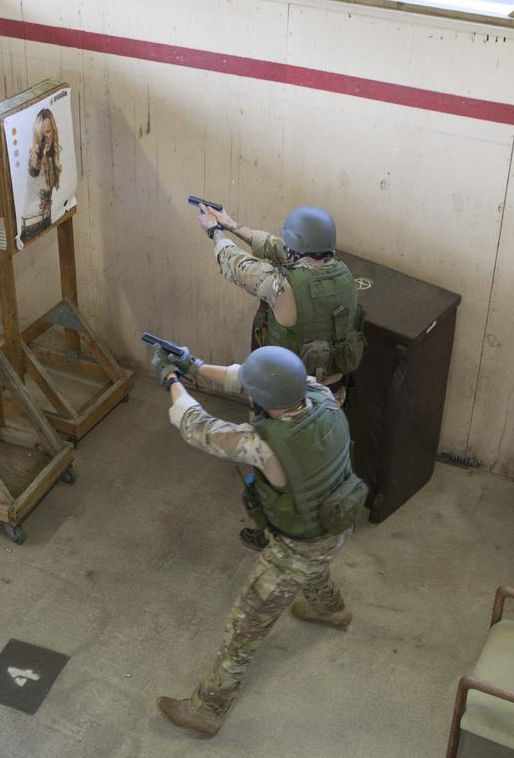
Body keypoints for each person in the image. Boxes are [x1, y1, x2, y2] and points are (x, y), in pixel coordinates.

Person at [151, 344, 365, 737]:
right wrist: (196, 365)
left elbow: (194, 425)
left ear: (262, 399)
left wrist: (171, 379)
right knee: (315, 563)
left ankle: (207, 710)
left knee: (243, 627)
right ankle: (330, 610)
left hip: (299, 546)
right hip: (338, 521)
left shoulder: (264, 444)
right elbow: (243, 378)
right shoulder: (320, 394)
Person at [193, 203, 366, 551]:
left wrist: (215, 232)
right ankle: (328, 518)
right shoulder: (345, 275)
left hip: (287, 401)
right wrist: (234, 224)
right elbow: (279, 249)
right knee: (321, 464)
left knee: (274, 472)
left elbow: (236, 265)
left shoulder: (281, 286)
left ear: (296, 246)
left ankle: (274, 530)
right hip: (332, 396)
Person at [22, 108, 63, 243]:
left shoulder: (52, 157)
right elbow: (33, 168)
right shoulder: (34, 154)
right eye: (43, 133)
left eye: (49, 131)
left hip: (47, 218)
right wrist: (40, 154)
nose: (48, 136)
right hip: (32, 225)